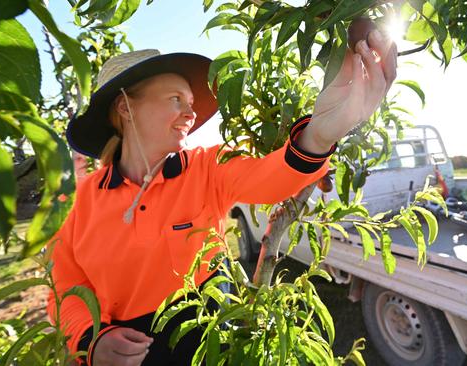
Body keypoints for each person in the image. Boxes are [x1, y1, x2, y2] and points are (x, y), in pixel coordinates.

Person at [48, 30, 397, 366]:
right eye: (176, 100)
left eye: (189, 102)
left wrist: (319, 136)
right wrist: (90, 339)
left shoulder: (205, 168)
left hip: (210, 343)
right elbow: (65, 287)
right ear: (125, 107)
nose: (191, 113)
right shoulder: (80, 202)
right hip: (128, 354)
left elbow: (272, 177)